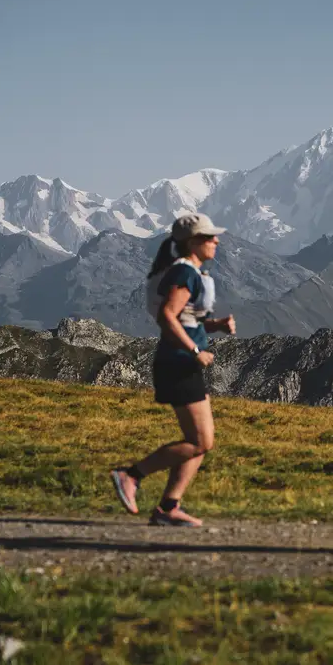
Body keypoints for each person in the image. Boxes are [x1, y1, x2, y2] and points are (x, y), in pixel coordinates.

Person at [110, 212, 235, 527]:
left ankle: (169, 507)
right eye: (209, 237)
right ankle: (131, 475)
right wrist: (195, 350)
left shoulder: (190, 272)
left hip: (182, 362)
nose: (216, 241)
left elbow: (184, 317)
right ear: (193, 242)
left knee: (202, 441)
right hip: (178, 363)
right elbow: (167, 316)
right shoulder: (184, 273)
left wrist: (214, 325)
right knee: (200, 442)